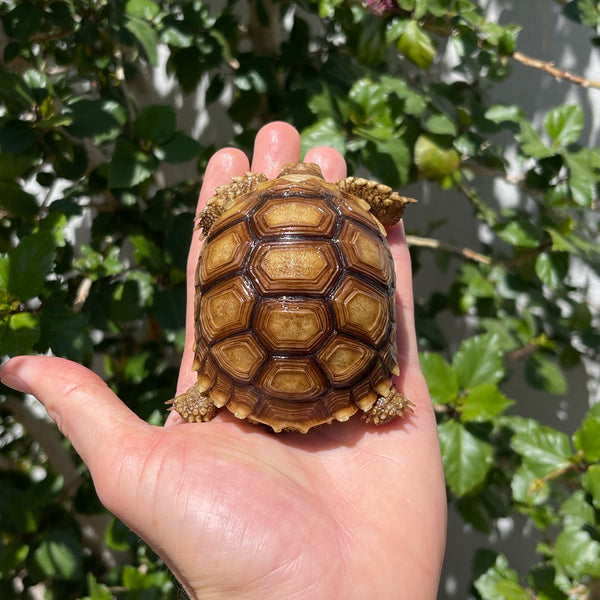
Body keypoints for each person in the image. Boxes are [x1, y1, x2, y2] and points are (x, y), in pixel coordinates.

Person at [1, 122, 446, 599]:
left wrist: (218, 212)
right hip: (346, 368)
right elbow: (388, 211)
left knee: (205, 382)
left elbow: (215, 215)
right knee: (380, 396)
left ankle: (210, 392)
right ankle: (369, 397)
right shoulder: (349, 199)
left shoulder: (250, 194)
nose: (301, 171)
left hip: (241, 366)